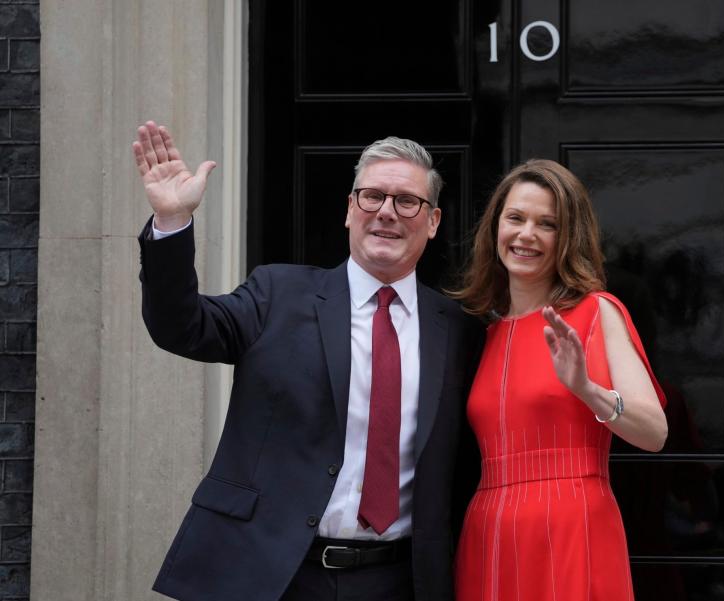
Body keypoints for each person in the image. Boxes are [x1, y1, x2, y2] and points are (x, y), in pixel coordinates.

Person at [132, 121, 479, 601]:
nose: (386, 213)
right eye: (372, 196)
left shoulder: (458, 329)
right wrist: (172, 223)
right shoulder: (279, 293)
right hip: (273, 573)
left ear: (434, 220)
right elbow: (182, 326)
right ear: (349, 209)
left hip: (399, 580)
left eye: (407, 201)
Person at [450, 159, 668, 601]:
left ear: (567, 238)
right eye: (515, 218)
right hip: (489, 529)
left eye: (546, 224)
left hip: (573, 523)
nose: (526, 234)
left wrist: (588, 390)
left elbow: (655, 432)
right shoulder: (480, 334)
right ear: (496, 228)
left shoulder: (595, 312)